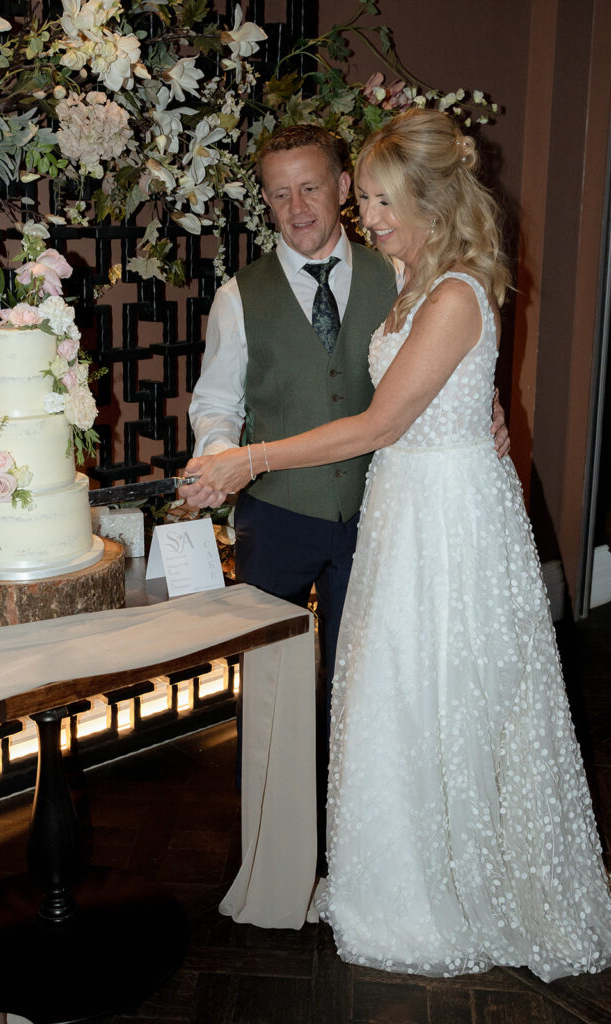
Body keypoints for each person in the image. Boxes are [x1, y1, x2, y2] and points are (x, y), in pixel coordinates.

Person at [185, 109, 611, 981]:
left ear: (424, 197)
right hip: (402, 510)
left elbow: (384, 418)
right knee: (389, 699)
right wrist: (488, 408)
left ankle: (441, 889)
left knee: (440, 697)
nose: (365, 219)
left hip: (441, 526)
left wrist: (252, 459)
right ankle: (380, 870)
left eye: (378, 201)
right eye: (370, 203)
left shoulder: (455, 290)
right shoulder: (409, 271)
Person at [182, 124, 508, 726]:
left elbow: (449, 358)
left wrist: (484, 407)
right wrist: (223, 456)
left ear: (340, 186)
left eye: (310, 187)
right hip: (277, 515)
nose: (297, 208)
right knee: (267, 692)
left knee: (365, 690)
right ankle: (267, 817)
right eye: (280, 194)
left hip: (379, 515)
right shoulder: (237, 296)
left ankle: (343, 815)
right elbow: (216, 402)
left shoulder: (406, 271)